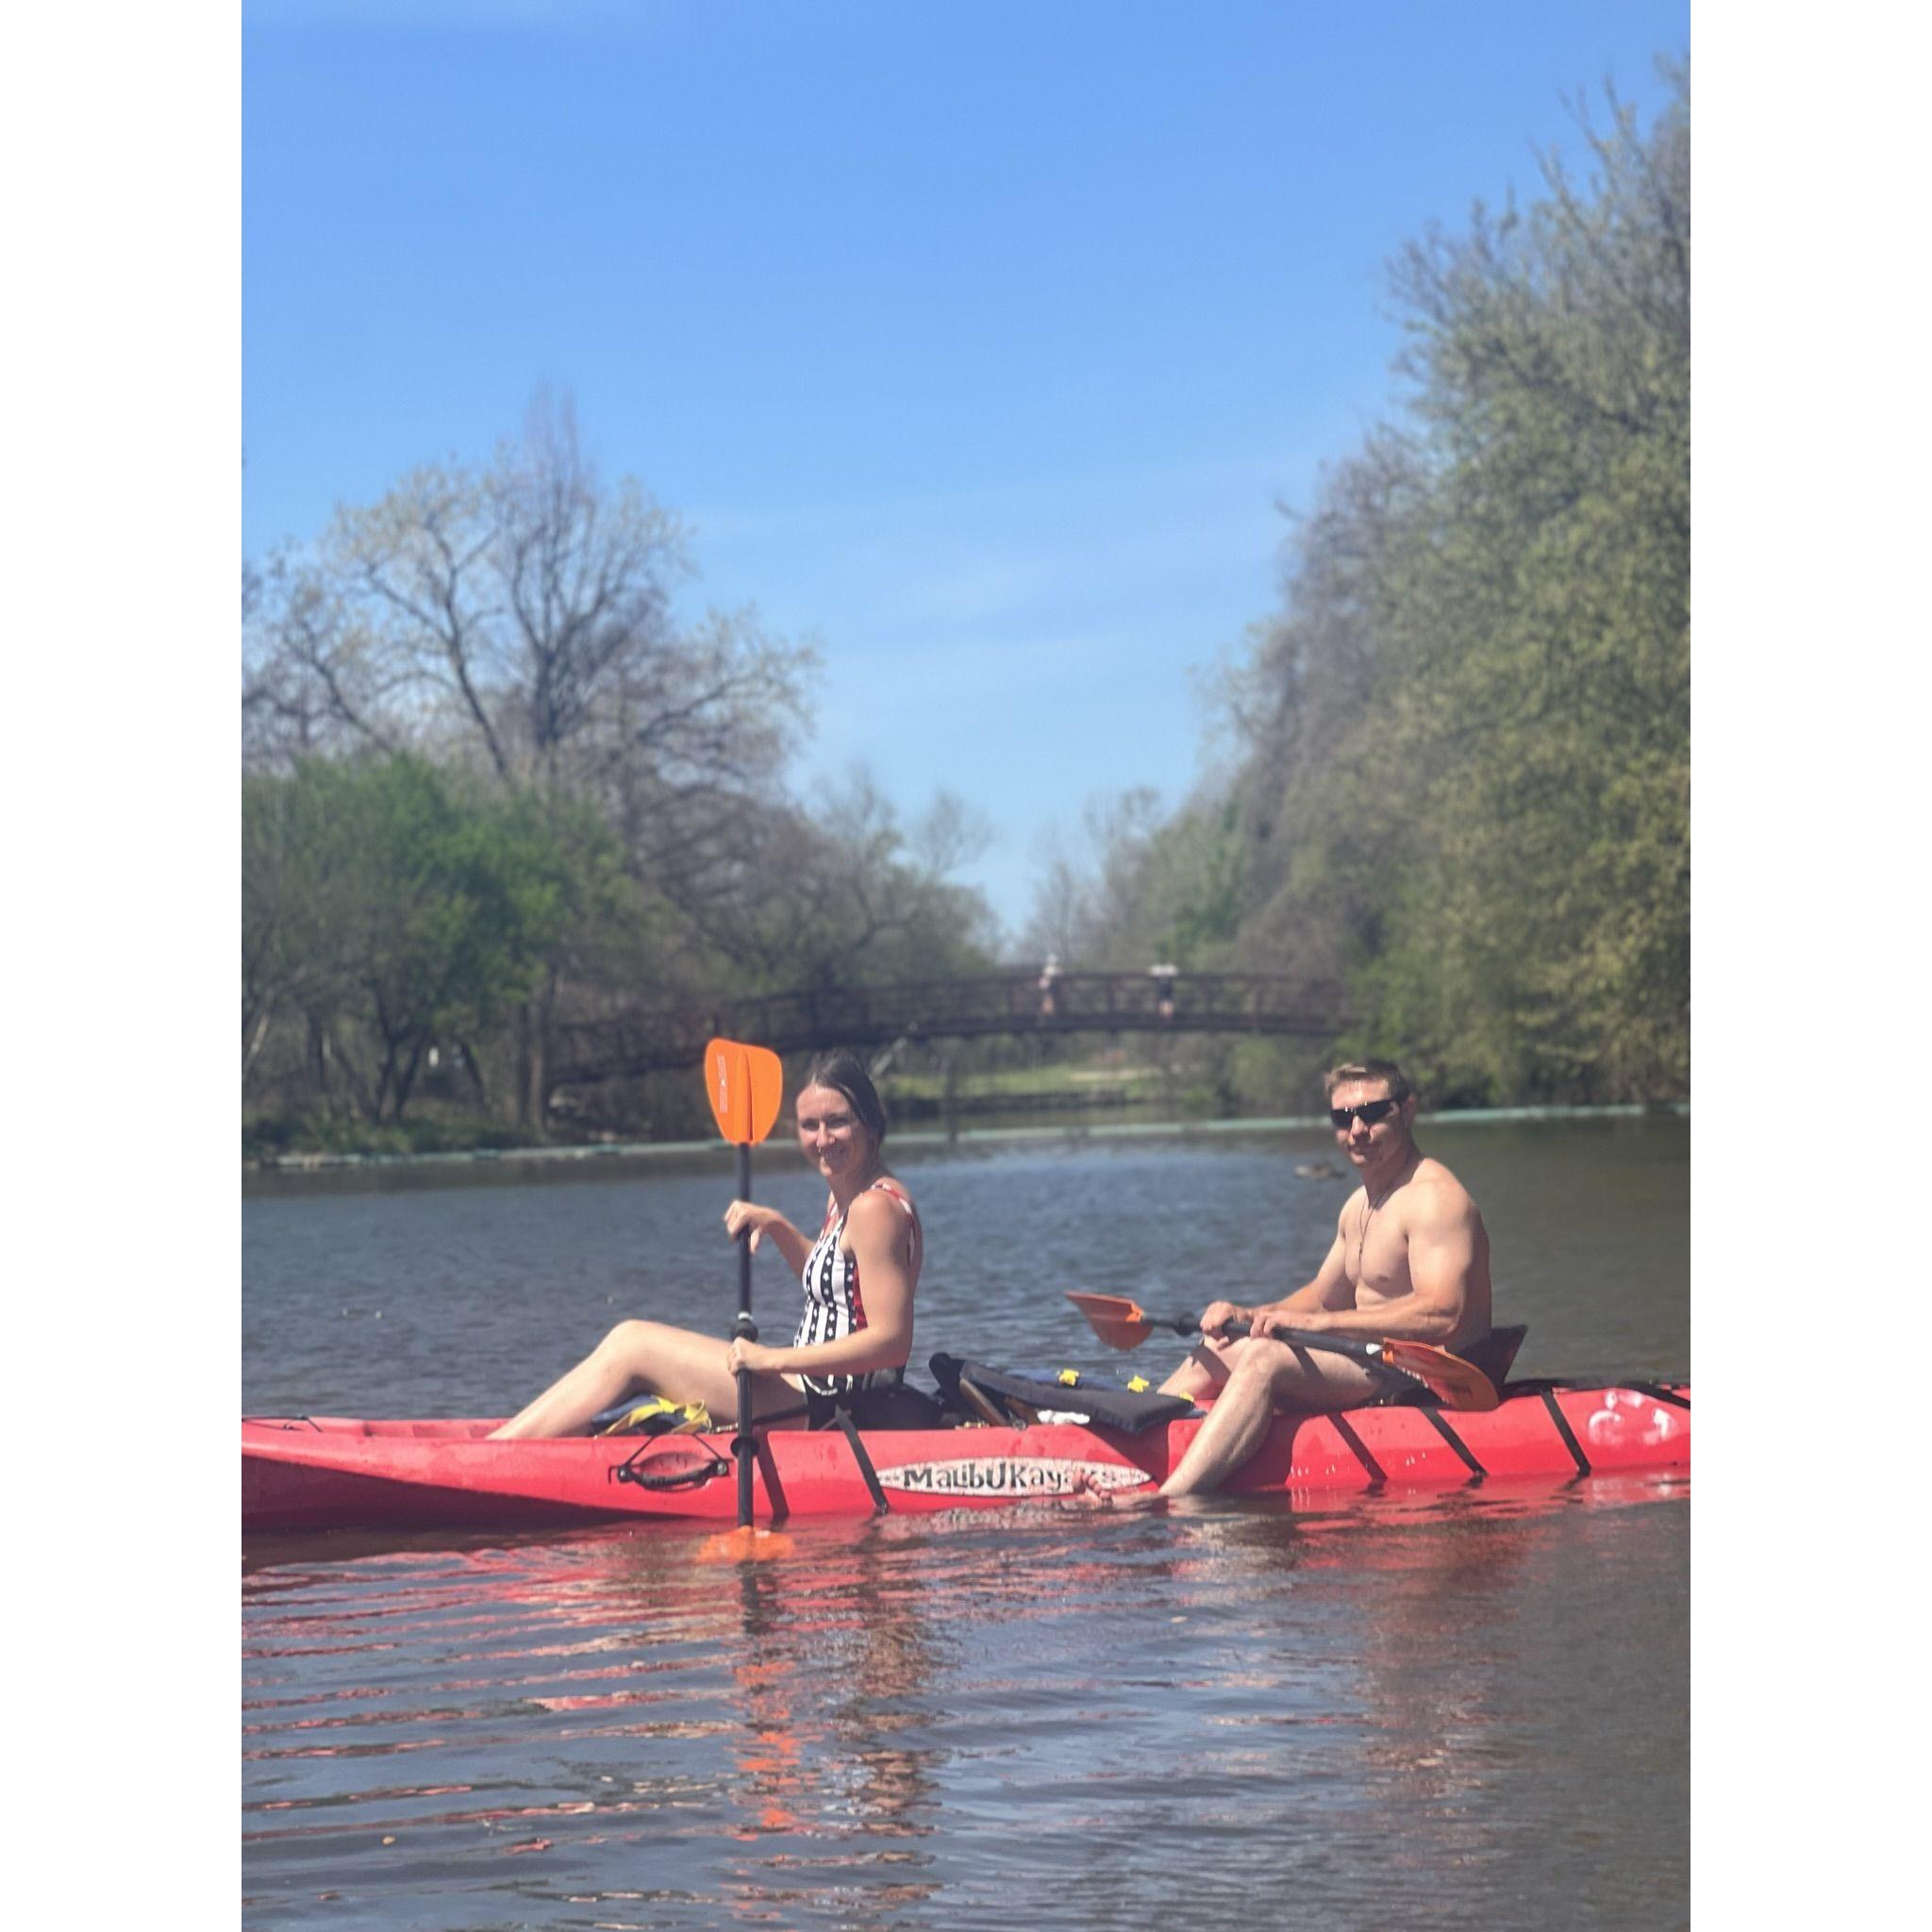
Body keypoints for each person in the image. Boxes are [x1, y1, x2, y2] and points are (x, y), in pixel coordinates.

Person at [489, 1050, 922, 1440]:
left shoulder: (873, 1209)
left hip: (828, 1408)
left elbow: (891, 1340)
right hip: (807, 1394)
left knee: (634, 1345)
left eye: (838, 1122)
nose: (822, 1139)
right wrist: (779, 1227)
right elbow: (845, 1291)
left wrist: (773, 1360)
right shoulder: (847, 1196)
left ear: (869, 1119)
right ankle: (510, 1443)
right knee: (627, 1342)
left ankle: (500, 1457)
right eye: (810, 1126)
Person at [1151, 1058, 1491, 1497]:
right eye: (1343, 1118)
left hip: (1427, 1375)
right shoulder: (1359, 1205)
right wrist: (1250, 1313)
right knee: (1223, 1346)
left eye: (1372, 1113)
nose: (1357, 1130)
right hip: (1372, 1362)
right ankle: (1123, 1432)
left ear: (1407, 1112)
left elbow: (1442, 1314)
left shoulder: (1435, 1200)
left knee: (1266, 1359)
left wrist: (1316, 1326)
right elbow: (1322, 1296)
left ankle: (1170, 1500)